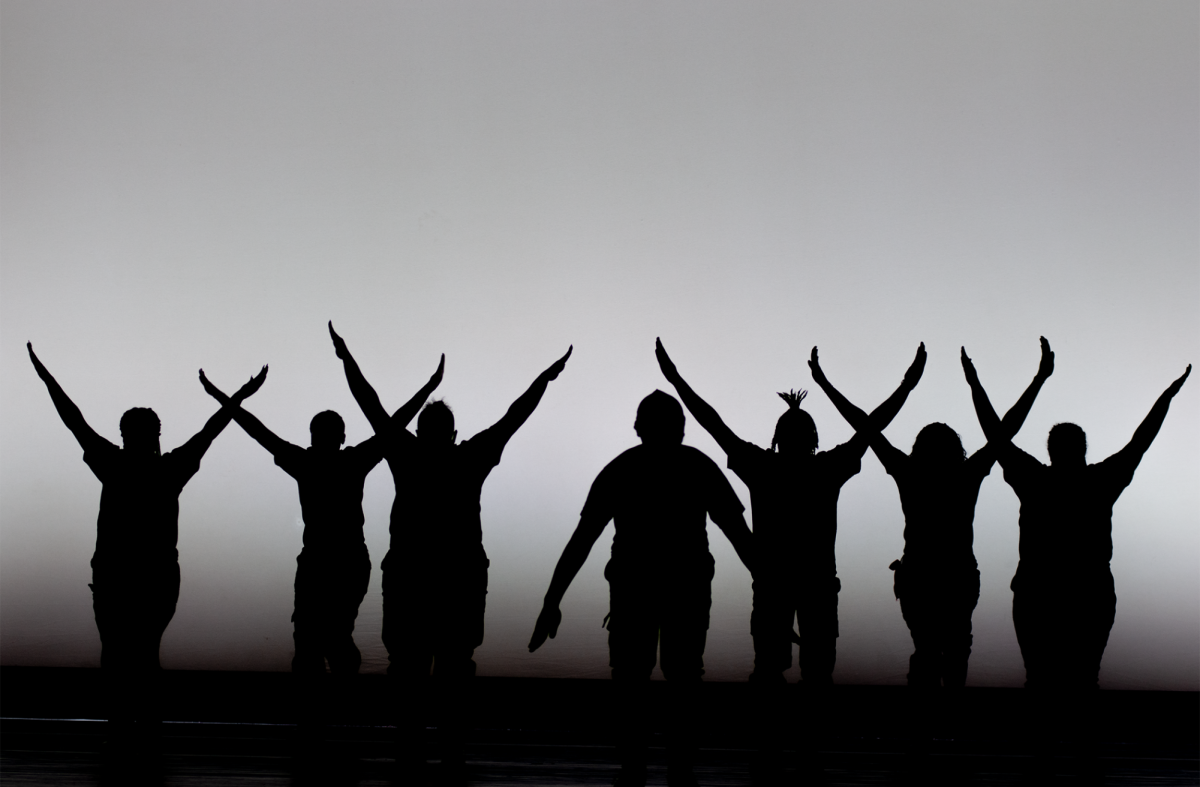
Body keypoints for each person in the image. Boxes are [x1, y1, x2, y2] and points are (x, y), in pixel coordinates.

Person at [328, 323, 571, 779]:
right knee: (452, 667)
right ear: (454, 432)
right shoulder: (468, 456)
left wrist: (346, 357)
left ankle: (414, 751)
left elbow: (370, 404)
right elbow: (515, 416)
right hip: (454, 577)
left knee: (410, 668)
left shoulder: (408, 452)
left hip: (414, 576)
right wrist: (545, 378)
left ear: (421, 431)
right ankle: (448, 753)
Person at [28, 342, 266, 741]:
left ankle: (124, 724)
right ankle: (140, 725)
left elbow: (75, 421)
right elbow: (212, 429)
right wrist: (236, 396)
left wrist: (46, 377)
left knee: (118, 650)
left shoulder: (117, 464)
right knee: (141, 652)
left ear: (126, 435)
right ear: (154, 434)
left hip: (121, 576)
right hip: (147, 576)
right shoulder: (167, 468)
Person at [656, 340, 925, 687]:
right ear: (812, 437)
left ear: (778, 437)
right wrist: (907, 385)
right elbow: (872, 427)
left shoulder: (763, 466)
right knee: (814, 674)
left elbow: (714, 424)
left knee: (770, 671)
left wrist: (677, 381)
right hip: (815, 585)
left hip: (774, 585)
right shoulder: (825, 467)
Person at [529, 390, 755, 787]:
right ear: (681, 430)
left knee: (641, 677)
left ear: (638, 428)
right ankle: (671, 765)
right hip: (671, 591)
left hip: (646, 592)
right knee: (674, 676)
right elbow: (742, 538)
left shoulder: (623, 470)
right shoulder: (695, 468)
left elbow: (582, 540)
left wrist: (553, 600)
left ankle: (641, 764)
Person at [815, 338, 1053, 690]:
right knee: (955, 653)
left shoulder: (910, 472)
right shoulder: (965, 474)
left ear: (919, 448)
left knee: (928, 651)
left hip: (920, 579)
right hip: (955, 577)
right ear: (956, 450)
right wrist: (1031, 380)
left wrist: (902, 385)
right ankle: (949, 728)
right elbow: (1004, 432)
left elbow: (866, 427)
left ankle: (923, 729)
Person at [962, 348, 1190, 690]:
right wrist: (1167, 397)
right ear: (1083, 448)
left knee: (1040, 679)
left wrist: (976, 383)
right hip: (1089, 594)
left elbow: (996, 434)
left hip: (1039, 594)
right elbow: (1141, 441)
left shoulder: (1036, 479)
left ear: (1050, 449)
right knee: (1084, 679)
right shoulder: (1100, 480)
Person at [198, 366, 388, 732]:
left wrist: (227, 396)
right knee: (320, 639)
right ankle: (323, 714)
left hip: (335, 562)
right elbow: (388, 426)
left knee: (321, 639)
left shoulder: (316, 460)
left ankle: (327, 713)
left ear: (321, 437)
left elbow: (258, 432)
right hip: (336, 562)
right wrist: (225, 397)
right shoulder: (344, 460)